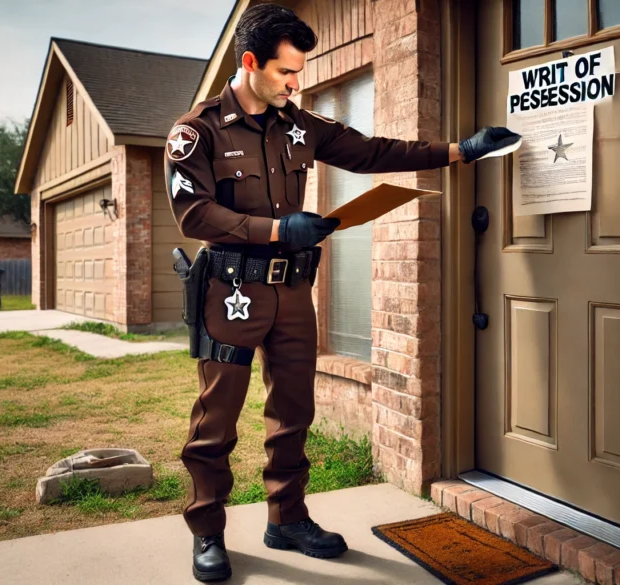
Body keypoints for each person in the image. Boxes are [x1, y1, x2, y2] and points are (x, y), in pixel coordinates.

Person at [165, 4, 520, 582]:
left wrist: (459, 151)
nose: (295, 83)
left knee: (294, 411)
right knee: (216, 419)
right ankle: (208, 530)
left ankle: (287, 518)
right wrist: (279, 229)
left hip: (292, 295)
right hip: (229, 294)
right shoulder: (197, 131)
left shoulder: (298, 125)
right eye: (286, 72)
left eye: (300, 72)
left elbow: (374, 151)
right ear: (251, 63)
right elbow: (194, 214)